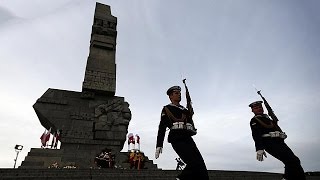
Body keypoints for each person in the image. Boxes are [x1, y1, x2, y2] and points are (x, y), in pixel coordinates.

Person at [155, 86, 209, 180]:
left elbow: (190, 120)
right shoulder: (167, 109)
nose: (179, 95)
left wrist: (190, 109)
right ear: (170, 96)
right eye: (176, 93)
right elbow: (162, 127)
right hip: (176, 138)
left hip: (187, 137)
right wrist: (159, 145)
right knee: (193, 163)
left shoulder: (185, 110)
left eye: (179, 93)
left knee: (201, 165)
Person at [249, 101, 306, 180]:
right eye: (256, 108)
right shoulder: (255, 120)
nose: (259, 109)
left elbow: (275, 128)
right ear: (252, 110)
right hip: (269, 143)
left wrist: (280, 134)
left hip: (279, 142)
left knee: (295, 161)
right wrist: (259, 148)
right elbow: (256, 135)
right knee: (291, 161)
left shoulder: (269, 119)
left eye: (260, 107)